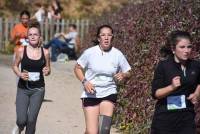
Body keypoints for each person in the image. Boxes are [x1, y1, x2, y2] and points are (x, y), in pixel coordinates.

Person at [74, 25, 131, 134]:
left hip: (109, 93)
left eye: (109, 35)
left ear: (112, 37)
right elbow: (77, 68)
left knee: (104, 130)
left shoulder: (117, 54)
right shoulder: (90, 53)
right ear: (98, 38)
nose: (106, 37)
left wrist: (124, 75)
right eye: (103, 35)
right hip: (91, 94)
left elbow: (129, 72)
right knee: (92, 132)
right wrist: (85, 81)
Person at [151, 30, 200, 134]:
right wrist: (171, 87)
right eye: (182, 47)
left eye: (189, 47)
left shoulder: (195, 65)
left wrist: (196, 94)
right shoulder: (163, 66)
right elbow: (156, 94)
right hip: (165, 119)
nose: (186, 50)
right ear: (173, 49)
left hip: (187, 117)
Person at [12, 20, 51, 134]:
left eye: (35, 34)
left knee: (31, 120)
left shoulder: (46, 52)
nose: (33, 36)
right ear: (27, 37)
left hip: (38, 90)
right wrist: (20, 74)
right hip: (23, 89)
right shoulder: (21, 50)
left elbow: (48, 69)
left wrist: (47, 70)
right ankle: (19, 127)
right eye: (30, 34)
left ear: (40, 37)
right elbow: (14, 66)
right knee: (21, 120)